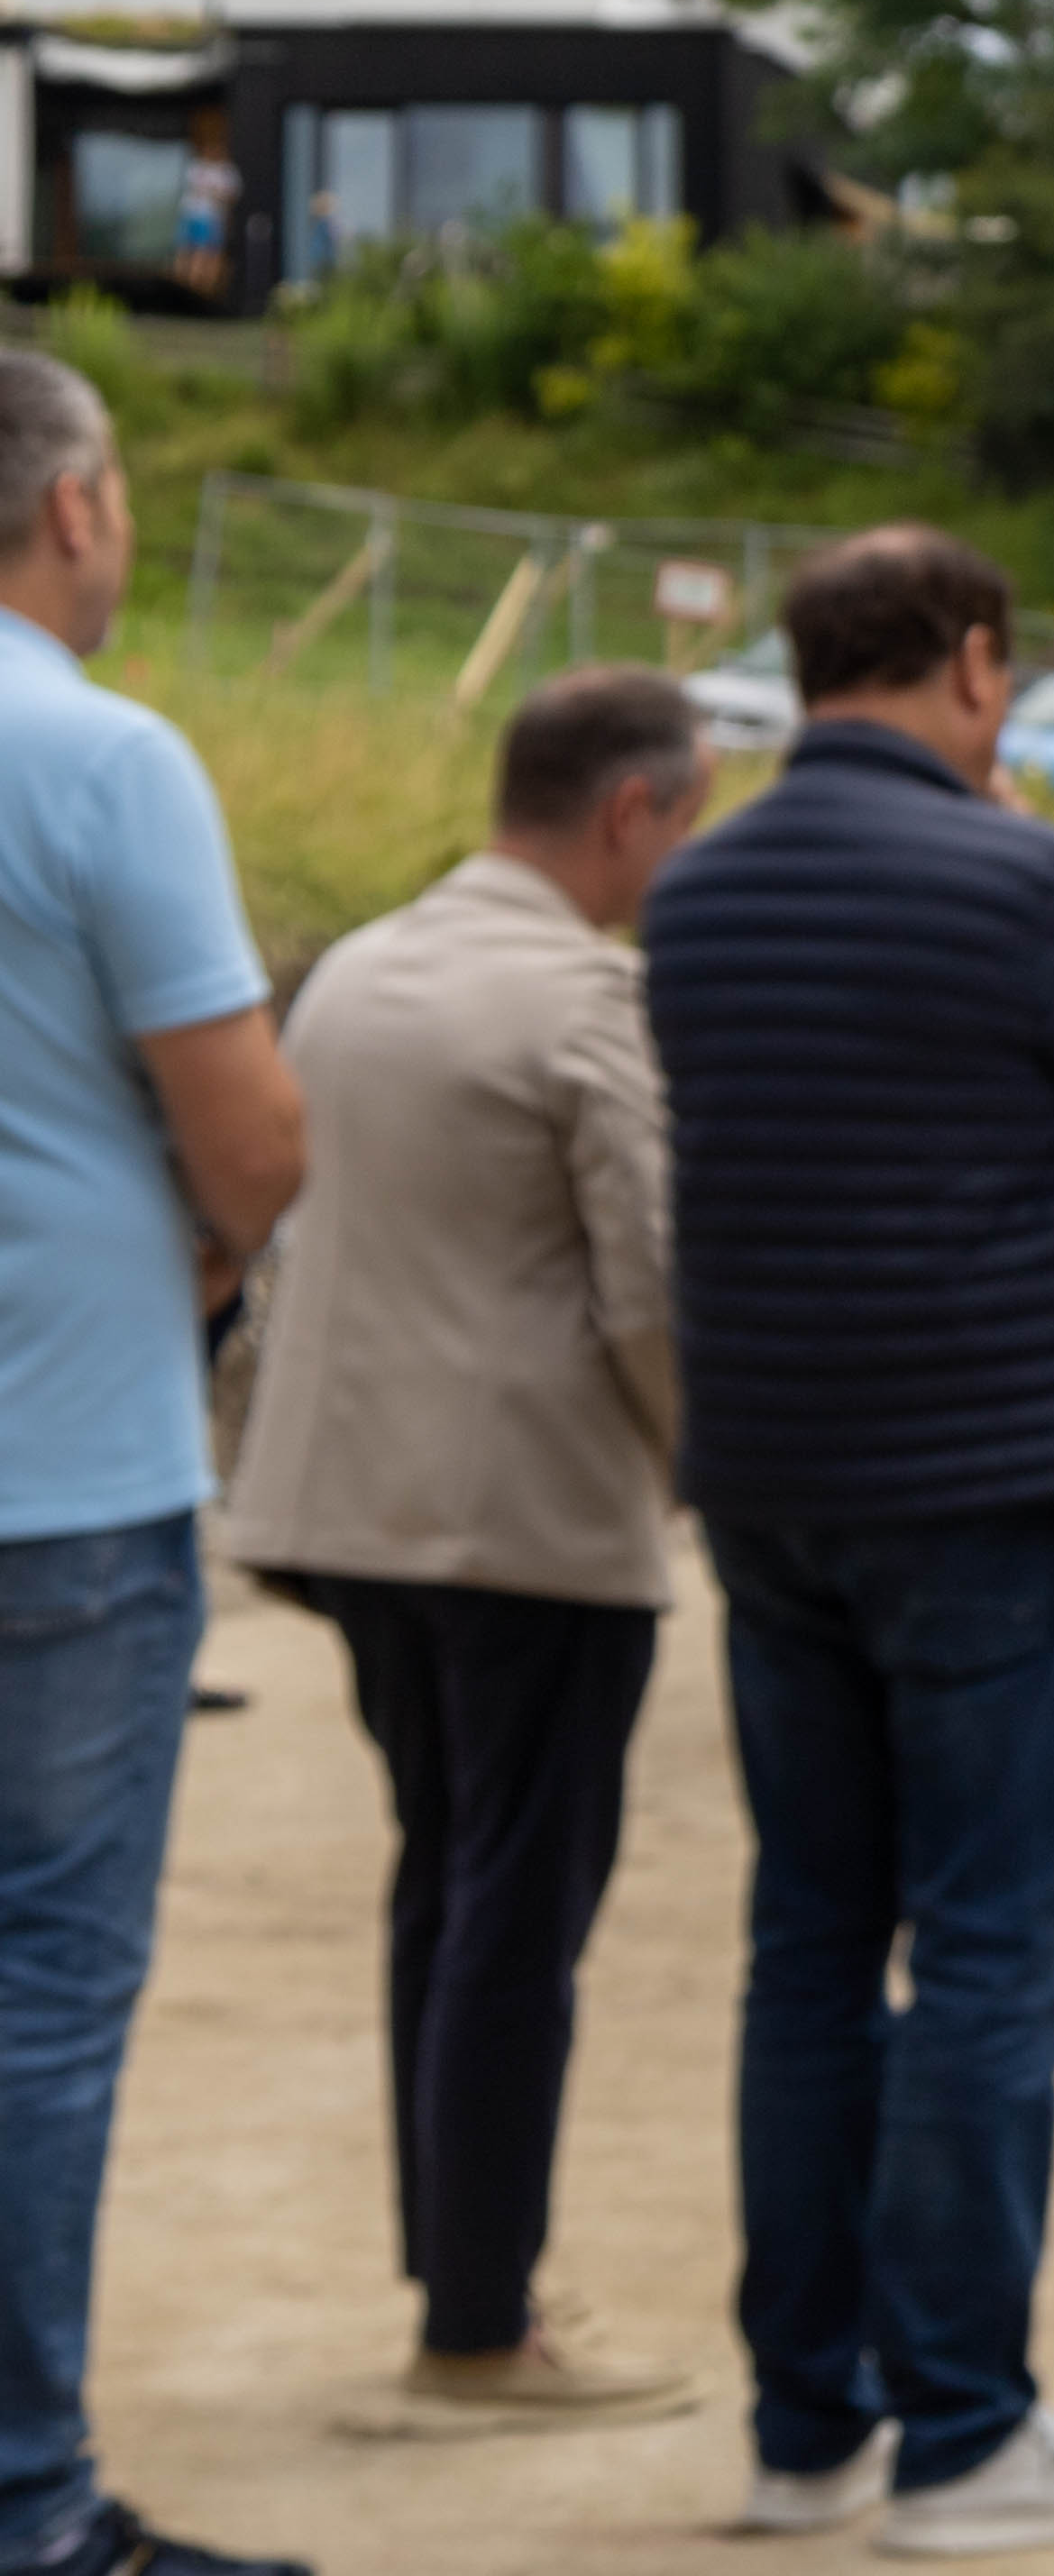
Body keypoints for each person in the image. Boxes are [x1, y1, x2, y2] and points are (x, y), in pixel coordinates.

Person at [640, 529, 1054, 2558]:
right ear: (978, 667)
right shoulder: (1042, 886)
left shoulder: (697, 890)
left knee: (809, 1943)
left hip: (773, 1479)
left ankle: (804, 2424)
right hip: (996, 1484)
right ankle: (969, 2432)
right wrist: (1033, 848)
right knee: (993, 1949)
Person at [220, 669, 713, 2441]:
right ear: (633, 811)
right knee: (519, 1909)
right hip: (528, 1524)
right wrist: (705, 1462)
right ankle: (482, 2322)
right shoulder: (592, 1004)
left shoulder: (361, 962)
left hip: (348, 1514)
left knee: (443, 1882)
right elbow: (652, 1277)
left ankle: (464, 2272)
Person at [0, 350, 317, 2576]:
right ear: (78, 506)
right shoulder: (101, 759)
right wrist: (207, 1239)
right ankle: (23, 2500)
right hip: (60, 1466)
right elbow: (256, 1132)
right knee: (37, 1990)